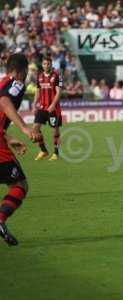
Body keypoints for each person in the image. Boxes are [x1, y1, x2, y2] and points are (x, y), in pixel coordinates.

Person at [0, 53, 41, 246]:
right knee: (19, 185)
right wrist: (25, 128)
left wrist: (9, 138)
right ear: (21, 71)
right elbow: (4, 102)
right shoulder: (16, 83)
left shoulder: (1, 82)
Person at [32, 56, 63, 161]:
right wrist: (34, 103)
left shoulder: (57, 76)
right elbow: (38, 91)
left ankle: (56, 153)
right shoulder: (39, 76)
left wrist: (53, 104)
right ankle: (43, 150)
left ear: (51, 64)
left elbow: (59, 92)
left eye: (48, 64)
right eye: (44, 64)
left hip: (53, 108)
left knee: (55, 130)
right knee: (35, 128)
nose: (46, 65)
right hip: (42, 107)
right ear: (42, 65)